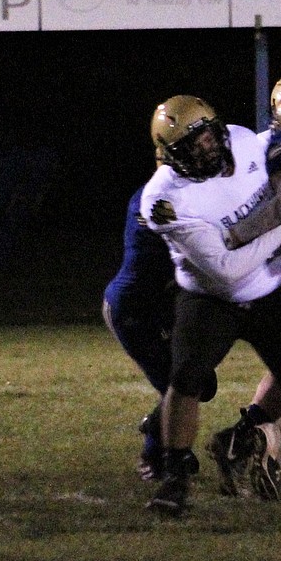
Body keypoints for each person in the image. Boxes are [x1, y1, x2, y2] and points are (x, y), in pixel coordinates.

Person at [139, 94, 281, 517]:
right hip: (209, 297)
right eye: (191, 147)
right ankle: (174, 477)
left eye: (206, 138)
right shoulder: (165, 201)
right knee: (185, 378)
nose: (205, 149)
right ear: (168, 157)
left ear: (219, 130)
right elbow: (226, 270)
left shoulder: (244, 141)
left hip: (270, 289)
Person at [102, 181, 175, 481]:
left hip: (162, 305)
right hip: (132, 310)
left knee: (199, 383)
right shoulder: (154, 198)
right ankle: (154, 452)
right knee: (179, 385)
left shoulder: (186, 190)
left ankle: (158, 431)